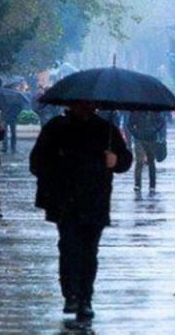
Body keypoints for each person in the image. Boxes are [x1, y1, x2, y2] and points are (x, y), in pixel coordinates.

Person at [30, 101, 133, 320]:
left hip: (95, 201)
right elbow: (36, 162)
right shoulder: (56, 127)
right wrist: (57, 168)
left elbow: (124, 160)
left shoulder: (106, 129)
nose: (85, 107)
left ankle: (85, 298)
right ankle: (71, 296)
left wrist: (116, 160)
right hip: (65, 201)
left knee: (89, 252)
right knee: (69, 248)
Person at [127, 111, 166, 194]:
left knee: (151, 162)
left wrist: (155, 130)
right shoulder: (136, 111)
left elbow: (162, 121)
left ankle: (152, 185)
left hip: (151, 139)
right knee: (139, 162)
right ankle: (138, 184)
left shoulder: (154, 111)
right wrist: (135, 133)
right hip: (139, 139)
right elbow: (129, 125)